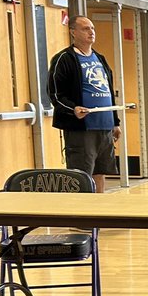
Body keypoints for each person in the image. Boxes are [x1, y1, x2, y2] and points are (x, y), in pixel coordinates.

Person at [48, 16, 120, 193]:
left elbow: (109, 91)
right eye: (86, 28)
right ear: (73, 32)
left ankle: (98, 213)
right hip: (81, 128)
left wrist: (115, 123)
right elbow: (55, 94)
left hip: (104, 126)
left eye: (93, 28)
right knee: (81, 175)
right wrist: (73, 109)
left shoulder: (100, 58)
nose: (91, 32)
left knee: (100, 172)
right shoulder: (63, 59)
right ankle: (82, 216)